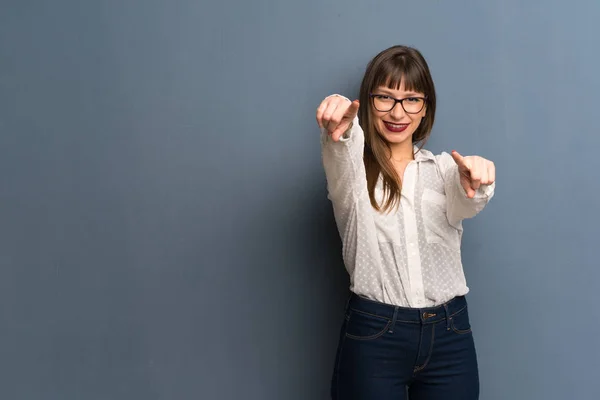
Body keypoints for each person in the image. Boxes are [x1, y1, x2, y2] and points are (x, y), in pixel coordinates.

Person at [316, 45, 495, 400]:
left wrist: (479, 181)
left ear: (425, 106)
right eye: (384, 97)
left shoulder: (446, 170)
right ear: (368, 101)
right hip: (375, 335)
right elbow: (340, 144)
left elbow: (467, 200)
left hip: (450, 334)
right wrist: (337, 113)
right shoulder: (352, 171)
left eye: (411, 99)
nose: (398, 111)